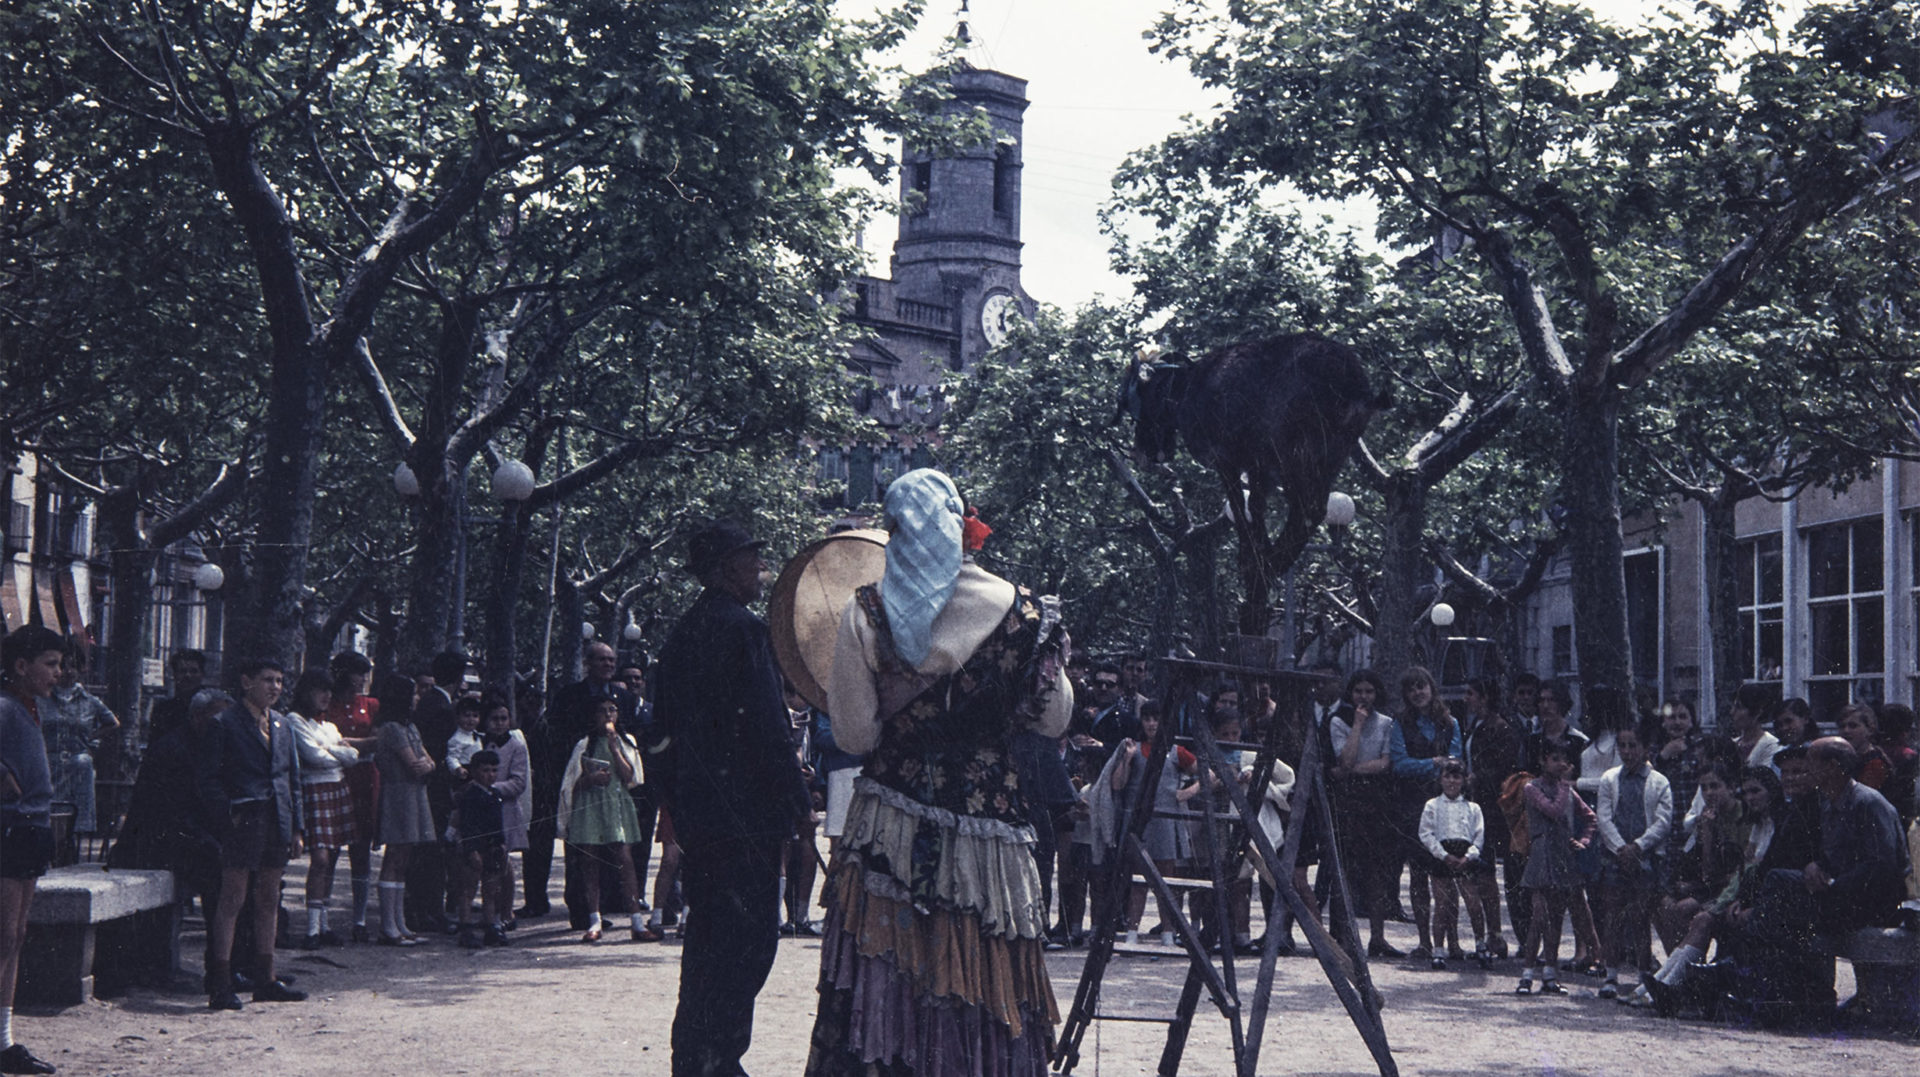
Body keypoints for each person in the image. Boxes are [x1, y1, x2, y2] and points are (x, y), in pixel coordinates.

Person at [806, 471, 1073, 1077]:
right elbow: (1054, 721)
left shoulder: (868, 613)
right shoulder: (1029, 614)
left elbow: (854, 735)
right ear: (962, 526)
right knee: (984, 966)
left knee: (889, 966)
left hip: (892, 831)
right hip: (992, 839)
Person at [652, 518, 813, 1077]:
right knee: (748, 942)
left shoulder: (682, 633)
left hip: (704, 817)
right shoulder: (744, 631)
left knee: (707, 938)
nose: (760, 570)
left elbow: (661, 732)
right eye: (751, 559)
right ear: (725, 568)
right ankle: (720, 1058)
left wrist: (678, 799)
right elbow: (770, 726)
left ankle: (694, 1056)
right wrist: (797, 802)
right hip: (748, 816)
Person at [198, 658, 307, 1010]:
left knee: (268, 899)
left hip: (276, 820)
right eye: (267, 680)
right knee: (232, 900)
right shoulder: (224, 724)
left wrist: (297, 826)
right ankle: (221, 982)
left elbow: (292, 780)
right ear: (246, 681)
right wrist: (227, 817)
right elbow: (208, 780)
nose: (274, 687)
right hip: (243, 820)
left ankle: (266, 978)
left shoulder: (282, 724)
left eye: (279, 680)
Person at [1, 626, 63, 1075]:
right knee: (2, 935)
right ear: (21, 666)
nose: (57, 674)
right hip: (9, 830)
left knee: (16, 935)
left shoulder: (30, 710)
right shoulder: (4, 707)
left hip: (34, 829)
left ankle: (4, 1038)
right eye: (50, 664)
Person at [286, 669, 371, 950]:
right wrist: (336, 753)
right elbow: (311, 756)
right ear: (305, 692)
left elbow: (352, 757)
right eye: (319, 690)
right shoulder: (295, 721)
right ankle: (311, 930)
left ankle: (323, 926)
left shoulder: (329, 727)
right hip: (314, 791)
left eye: (328, 691)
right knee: (320, 859)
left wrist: (332, 752)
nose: (326, 697)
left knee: (331, 859)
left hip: (336, 790)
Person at [558, 697, 649, 943]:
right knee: (590, 860)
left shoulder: (625, 741)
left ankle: (636, 921)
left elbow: (631, 777)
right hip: (591, 805)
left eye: (612, 710)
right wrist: (589, 779)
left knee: (625, 859)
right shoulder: (584, 745)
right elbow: (571, 783)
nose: (608, 715)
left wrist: (615, 749)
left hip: (617, 804)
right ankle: (594, 919)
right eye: (602, 711)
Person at [1592, 725, 1672, 1000]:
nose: (1627, 752)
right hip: (1615, 857)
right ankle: (1610, 974)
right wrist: (1620, 848)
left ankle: (1642, 975)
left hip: (1644, 858)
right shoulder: (1609, 779)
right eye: (1622, 746)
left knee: (1640, 918)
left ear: (1645, 748)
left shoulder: (1659, 781)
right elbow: (1603, 817)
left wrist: (1638, 847)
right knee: (1613, 916)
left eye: (1632, 745)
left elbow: (1663, 821)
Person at [1109, 703, 1199, 945]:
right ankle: (1132, 933)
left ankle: (1168, 933)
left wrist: (1185, 793)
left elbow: (1209, 775)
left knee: (1166, 880)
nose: (1151, 724)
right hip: (1140, 822)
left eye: (1156, 719)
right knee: (1138, 880)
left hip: (1166, 823)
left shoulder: (1176, 751)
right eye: (1147, 719)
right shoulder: (1133, 749)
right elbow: (1117, 785)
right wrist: (1126, 760)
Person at [1388, 665, 1460, 962]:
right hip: (1414, 806)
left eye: (1422, 686)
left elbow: (1456, 760)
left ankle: (1452, 941)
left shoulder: (1450, 722)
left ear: (1432, 688)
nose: (1418, 692)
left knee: (1448, 873)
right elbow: (1399, 764)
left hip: (1447, 805)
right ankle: (1424, 941)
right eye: (1411, 688)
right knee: (1418, 875)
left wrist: (1445, 765)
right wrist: (1432, 763)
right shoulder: (1400, 723)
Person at [1514, 743, 1596, 996]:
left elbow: (1590, 817)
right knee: (1539, 917)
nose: (1561, 764)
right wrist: (1564, 787)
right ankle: (1527, 973)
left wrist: (1583, 841)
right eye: (1555, 759)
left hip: (1563, 856)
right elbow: (1552, 809)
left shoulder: (1567, 791)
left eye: (1565, 760)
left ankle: (1550, 972)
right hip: (1541, 855)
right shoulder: (1532, 788)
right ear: (1543, 760)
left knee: (1557, 919)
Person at [1330, 669, 1400, 957]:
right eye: (1358, 691)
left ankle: (1378, 937)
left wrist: (1350, 770)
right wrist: (1357, 725)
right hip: (1347, 802)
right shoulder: (1338, 722)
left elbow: (1384, 763)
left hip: (1376, 800)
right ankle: (1345, 937)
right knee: (1346, 870)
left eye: (1369, 691)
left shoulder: (1387, 723)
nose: (1363, 697)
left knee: (1376, 873)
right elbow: (1344, 757)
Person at [371, 673, 435, 947]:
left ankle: (399, 922)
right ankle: (388, 925)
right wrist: (426, 764)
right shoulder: (392, 729)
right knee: (394, 856)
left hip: (414, 794)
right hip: (399, 794)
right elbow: (414, 763)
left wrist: (427, 764)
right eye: (413, 694)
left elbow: (428, 761)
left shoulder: (410, 727)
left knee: (404, 857)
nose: (416, 699)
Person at [322, 651, 380, 941]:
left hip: (364, 781)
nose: (362, 680)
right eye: (358, 673)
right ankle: (322, 919)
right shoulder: (327, 705)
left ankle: (359, 921)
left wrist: (351, 743)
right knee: (328, 854)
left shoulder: (370, 704)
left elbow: (380, 739)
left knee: (361, 854)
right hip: (334, 781)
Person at [1461, 676, 1520, 958]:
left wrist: (1477, 778)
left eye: (1471, 694)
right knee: (1478, 871)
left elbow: (1503, 769)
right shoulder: (1475, 725)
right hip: (1474, 804)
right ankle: (1485, 935)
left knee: (1485, 872)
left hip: (1490, 808)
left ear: (1484, 697)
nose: (1466, 699)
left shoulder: (1500, 729)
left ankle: (1494, 933)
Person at [42, 641, 119, 840]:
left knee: (83, 766)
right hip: (48, 761)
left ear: (81, 670)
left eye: (73, 666)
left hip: (77, 763)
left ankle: (76, 838)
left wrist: (90, 739)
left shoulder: (89, 701)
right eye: (63, 666)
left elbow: (113, 723)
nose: (68, 671)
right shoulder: (42, 698)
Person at [1418, 758, 1487, 969]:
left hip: (1465, 857)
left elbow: (1479, 835)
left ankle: (1481, 946)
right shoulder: (1432, 805)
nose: (1451, 781)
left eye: (1456, 776)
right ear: (1440, 779)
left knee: (1474, 904)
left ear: (1464, 780)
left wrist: (1469, 856)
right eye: (1447, 776)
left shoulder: (1473, 807)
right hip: (1443, 857)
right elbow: (1425, 833)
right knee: (1442, 905)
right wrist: (1442, 854)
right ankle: (1438, 951)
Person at [476, 693, 530, 929]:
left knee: (503, 860)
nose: (499, 723)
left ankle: (506, 910)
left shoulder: (516, 746)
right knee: (486, 860)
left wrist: (491, 788)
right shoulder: (479, 741)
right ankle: (490, 910)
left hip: (504, 809)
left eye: (504, 718)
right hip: (481, 810)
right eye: (494, 718)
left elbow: (519, 782)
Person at [451, 749, 511, 949]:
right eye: (485, 770)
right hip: (475, 848)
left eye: (494, 770)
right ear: (475, 771)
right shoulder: (470, 795)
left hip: (492, 847)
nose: (490, 775)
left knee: (491, 888)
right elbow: (467, 825)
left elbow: (498, 823)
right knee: (468, 888)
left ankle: (491, 926)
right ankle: (466, 927)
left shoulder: (495, 794)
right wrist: (471, 850)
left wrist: (502, 843)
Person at [145, 649, 206, 745]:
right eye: (182, 671)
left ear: (202, 675)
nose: (188, 676)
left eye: (194, 671)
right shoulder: (162, 711)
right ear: (174, 675)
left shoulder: (212, 708)